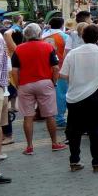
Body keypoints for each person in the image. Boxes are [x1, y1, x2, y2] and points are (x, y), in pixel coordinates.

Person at [60, 24, 98, 172]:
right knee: (96, 129)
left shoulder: (73, 53)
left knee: (74, 130)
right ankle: (97, 162)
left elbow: (63, 74)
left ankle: (74, 160)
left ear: (82, 36)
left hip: (75, 97)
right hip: (97, 96)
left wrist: (76, 77)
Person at [12, 23, 66, 155]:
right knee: (49, 115)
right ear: (39, 33)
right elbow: (55, 68)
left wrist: (18, 85)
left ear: (25, 35)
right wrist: (53, 82)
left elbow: (14, 71)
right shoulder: (48, 47)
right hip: (45, 82)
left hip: (25, 84)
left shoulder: (18, 49)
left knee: (28, 116)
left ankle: (29, 146)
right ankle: (54, 143)